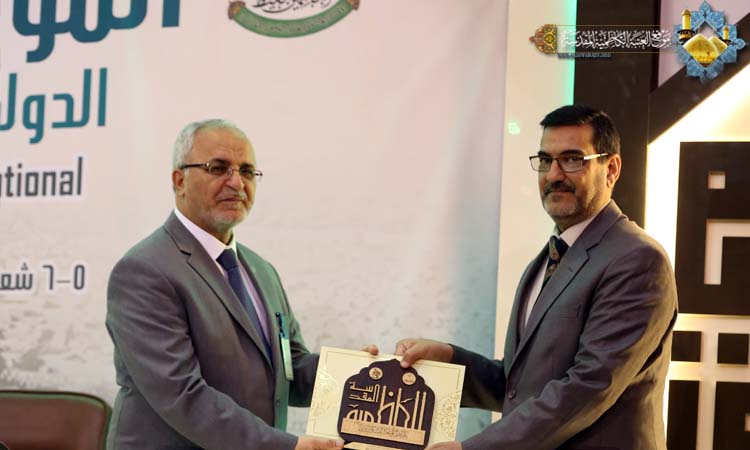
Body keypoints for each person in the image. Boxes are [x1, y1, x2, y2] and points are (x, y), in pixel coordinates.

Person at [396, 105, 678, 450]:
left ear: (611, 169)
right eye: (545, 160)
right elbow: (519, 387)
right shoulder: (546, 259)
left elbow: (588, 387)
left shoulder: (637, 260)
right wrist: (450, 360)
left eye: (572, 159)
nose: (554, 175)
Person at [106, 119, 346, 450]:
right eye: (218, 168)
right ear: (179, 181)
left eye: (247, 171)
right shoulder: (144, 270)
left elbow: (291, 371)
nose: (236, 183)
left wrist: (362, 374)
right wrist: (285, 447)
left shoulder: (262, 271)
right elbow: (182, 395)